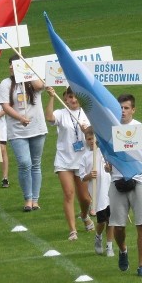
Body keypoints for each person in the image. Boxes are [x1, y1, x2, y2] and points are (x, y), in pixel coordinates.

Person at [107, 93, 142, 277]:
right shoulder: (110, 128)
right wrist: (107, 162)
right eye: (120, 108)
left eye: (126, 108)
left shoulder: (139, 128)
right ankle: (123, 249)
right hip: (117, 180)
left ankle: (141, 265)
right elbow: (106, 150)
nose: (123, 112)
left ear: (133, 109)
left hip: (138, 179)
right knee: (118, 226)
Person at [45, 86, 95, 241]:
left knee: (86, 198)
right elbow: (49, 118)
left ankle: (84, 215)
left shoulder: (87, 113)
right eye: (70, 97)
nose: (73, 100)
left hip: (82, 161)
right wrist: (51, 97)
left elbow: (95, 135)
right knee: (68, 194)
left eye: (76, 97)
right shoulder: (61, 113)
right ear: (65, 98)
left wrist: (86, 130)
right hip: (64, 160)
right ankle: (73, 230)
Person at [0, 54, 47, 212]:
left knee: (35, 163)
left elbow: (40, 86)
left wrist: (27, 71)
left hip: (37, 128)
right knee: (25, 163)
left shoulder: (32, 80)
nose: (10, 67)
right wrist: (20, 117)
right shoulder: (6, 83)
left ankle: (35, 199)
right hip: (18, 130)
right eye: (10, 65)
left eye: (14, 65)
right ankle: (27, 198)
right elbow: (5, 106)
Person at [79, 128, 113, 257]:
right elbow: (82, 177)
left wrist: (109, 168)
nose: (91, 141)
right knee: (102, 221)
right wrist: (89, 175)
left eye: (93, 138)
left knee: (112, 220)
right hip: (98, 193)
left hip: (109, 190)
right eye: (88, 139)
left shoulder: (104, 152)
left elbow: (112, 168)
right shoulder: (85, 157)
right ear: (86, 141)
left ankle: (109, 246)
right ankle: (98, 237)